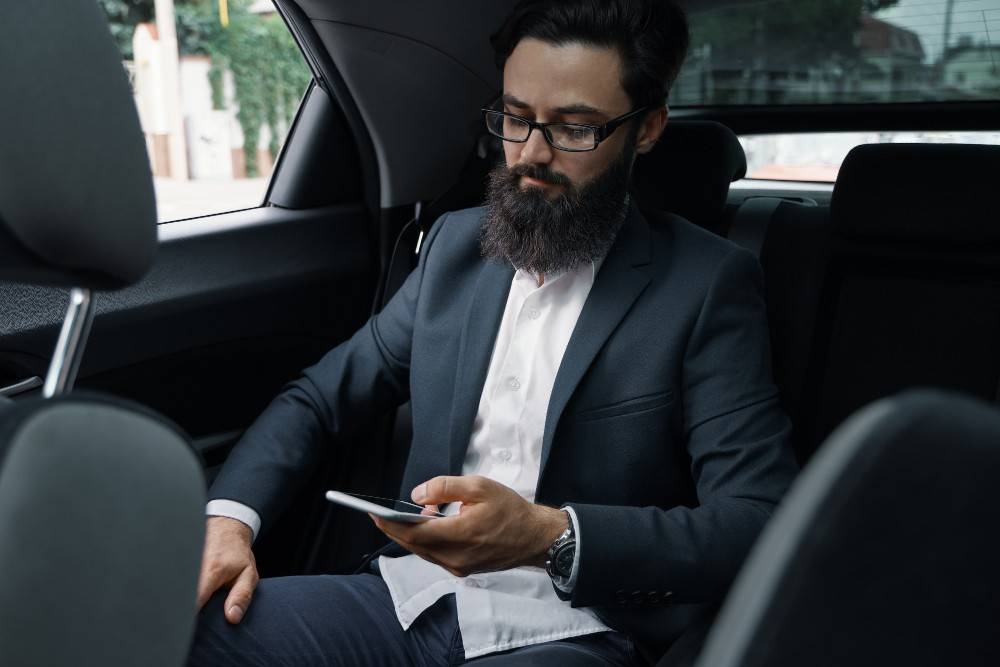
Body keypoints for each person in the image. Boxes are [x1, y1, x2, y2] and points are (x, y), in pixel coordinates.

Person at [189, 1, 798, 665]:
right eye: (515, 117)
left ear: (646, 129)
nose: (530, 155)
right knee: (178, 632)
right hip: (406, 598)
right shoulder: (454, 248)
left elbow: (757, 518)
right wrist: (230, 518)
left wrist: (549, 535)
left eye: (574, 128)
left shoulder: (707, 285)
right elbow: (318, 397)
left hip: (575, 629)